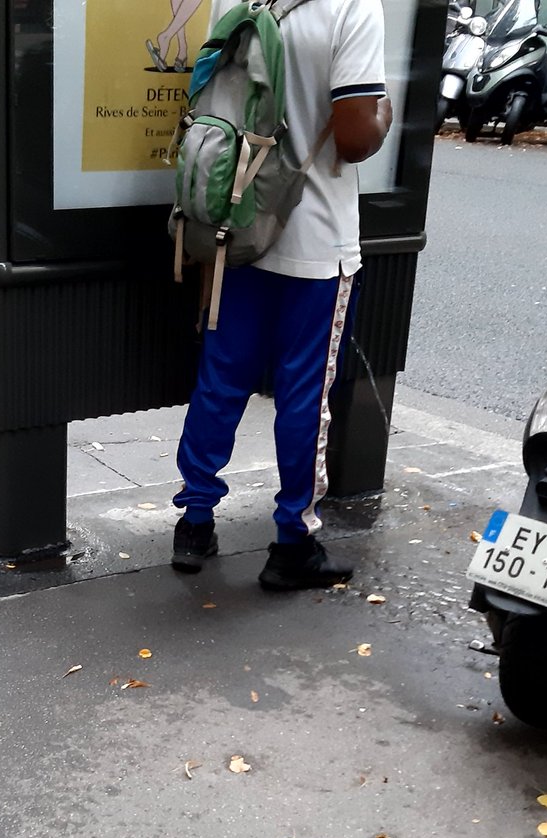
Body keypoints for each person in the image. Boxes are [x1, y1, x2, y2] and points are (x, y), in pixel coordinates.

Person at [171, 0, 392, 591]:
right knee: (303, 395)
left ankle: (194, 522)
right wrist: (385, 113)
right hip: (316, 242)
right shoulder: (352, 9)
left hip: (238, 223)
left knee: (220, 376)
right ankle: (292, 542)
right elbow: (353, 138)